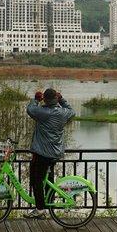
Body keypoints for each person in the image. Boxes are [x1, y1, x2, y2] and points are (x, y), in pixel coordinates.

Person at [24, 88, 76, 218]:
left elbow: (30, 109)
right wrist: (62, 99)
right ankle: (49, 202)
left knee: (36, 180)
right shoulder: (63, 113)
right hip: (55, 153)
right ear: (56, 99)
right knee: (48, 179)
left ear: (45, 100)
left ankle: (40, 209)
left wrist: (36, 99)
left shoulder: (44, 113)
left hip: (42, 153)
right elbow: (72, 111)